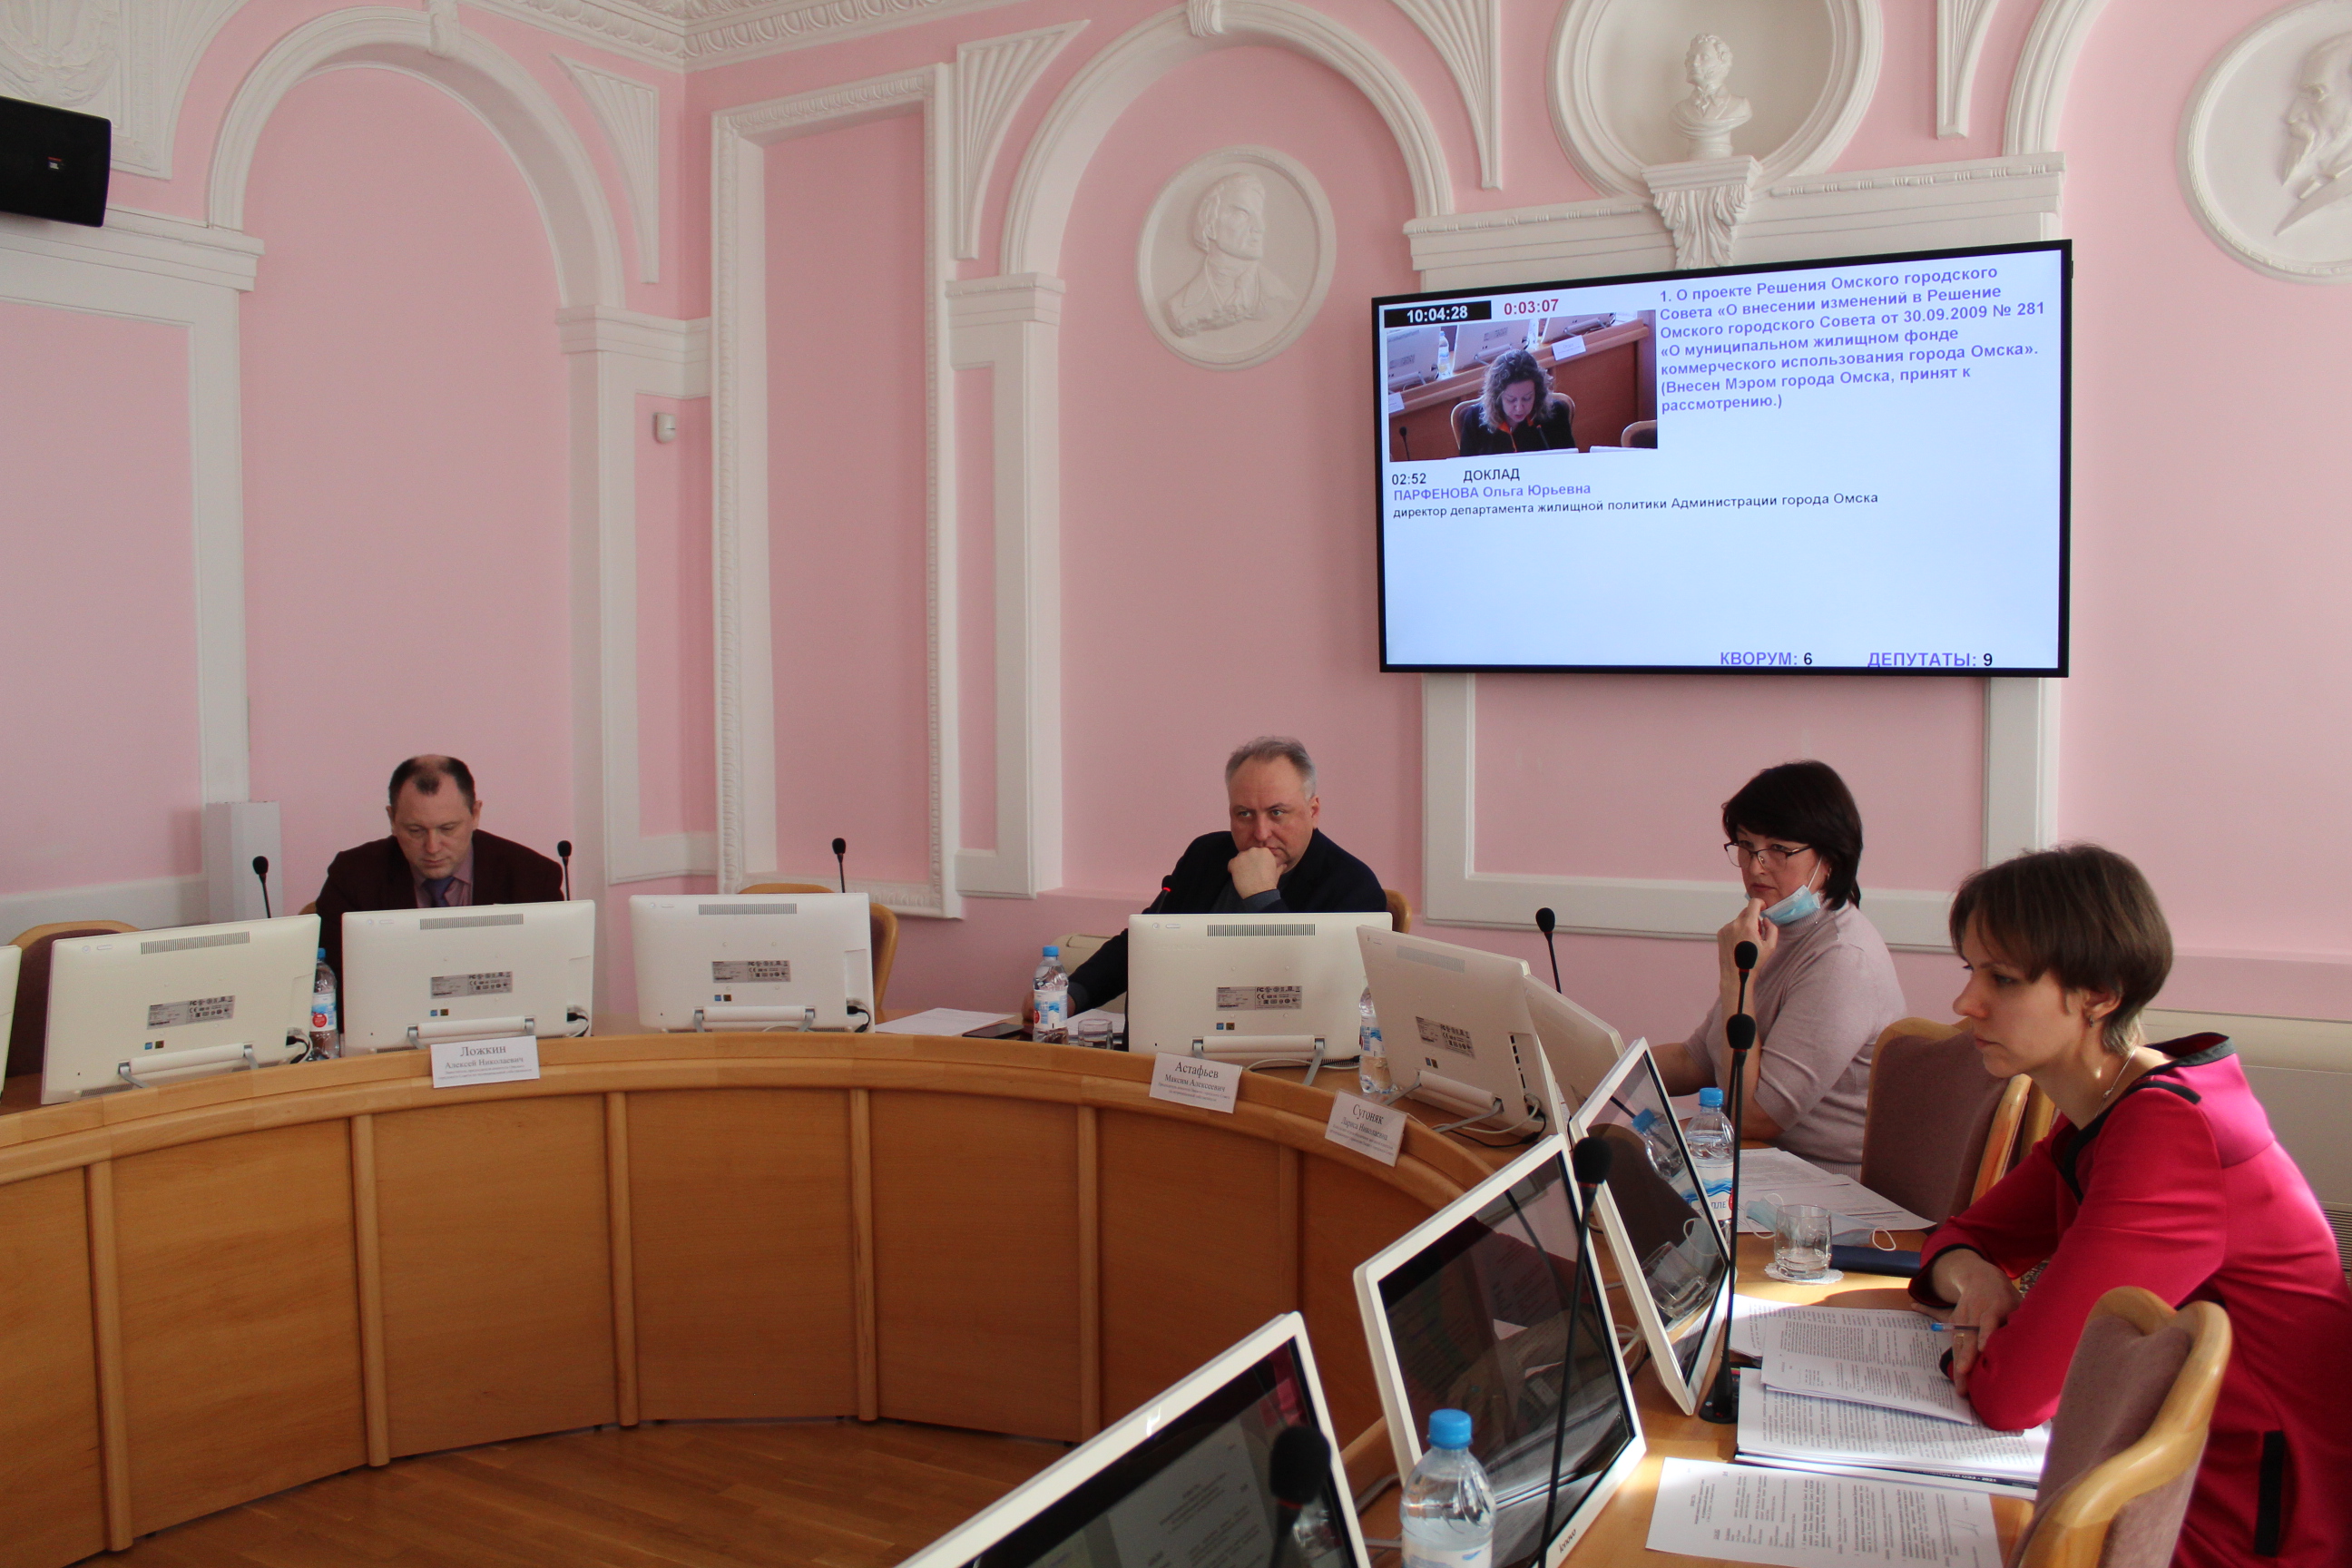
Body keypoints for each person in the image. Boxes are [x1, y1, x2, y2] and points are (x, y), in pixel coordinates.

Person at [1909, 845, 2352, 1567]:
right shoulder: (2112, 1105)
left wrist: (1987, 1311)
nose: (1966, 1003)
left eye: (2004, 979)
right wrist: (1977, 1276)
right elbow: (1956, 1240)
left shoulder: (2169, 1134)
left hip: (2245, 1523)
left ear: (2100, 995)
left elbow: (2014, 1395)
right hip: (2159, 1475)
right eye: (1971, 971)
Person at [1652, 760, 1906, 1177]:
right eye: (1746, 845)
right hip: (1761, 1158)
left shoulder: (1843, 958)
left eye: (1779, 849)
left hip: (1821, 1182)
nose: (1755, 866)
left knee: (1629, 1167)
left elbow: (1752, 1117)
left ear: (1830, 857)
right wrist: (1600, 1070)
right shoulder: (1776, 932)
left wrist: (1736, 978)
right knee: (1615, 1143)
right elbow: (1695, 1060)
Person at [1062, 738, 1386, 1017]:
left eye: (1277, 813)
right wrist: (1071, 996)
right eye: (1244, 814)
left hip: (1281, 1058)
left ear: (1313, 812)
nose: (1260, 833)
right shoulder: (1207, 854)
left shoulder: (1353, 886)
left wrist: (1262, 897)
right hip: (1178, 1042)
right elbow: (1144, 943)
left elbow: (1319, 994)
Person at [313, 755, 564, 977]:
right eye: (415, 830)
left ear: (475, 815)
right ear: (392, 819)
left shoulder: (532, 876)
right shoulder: (352, 875)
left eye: (447, 828)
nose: (432, 847)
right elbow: (331, 981)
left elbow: (553, 975)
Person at [1454, 348, 1576, 456]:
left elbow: (1569, 466)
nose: (1519, 408)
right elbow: (1466, 471)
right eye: (1511, 400)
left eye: (1527, 398)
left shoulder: (1556, 414)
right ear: (1497, 397)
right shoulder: (1474, 420)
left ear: (1537, 393)